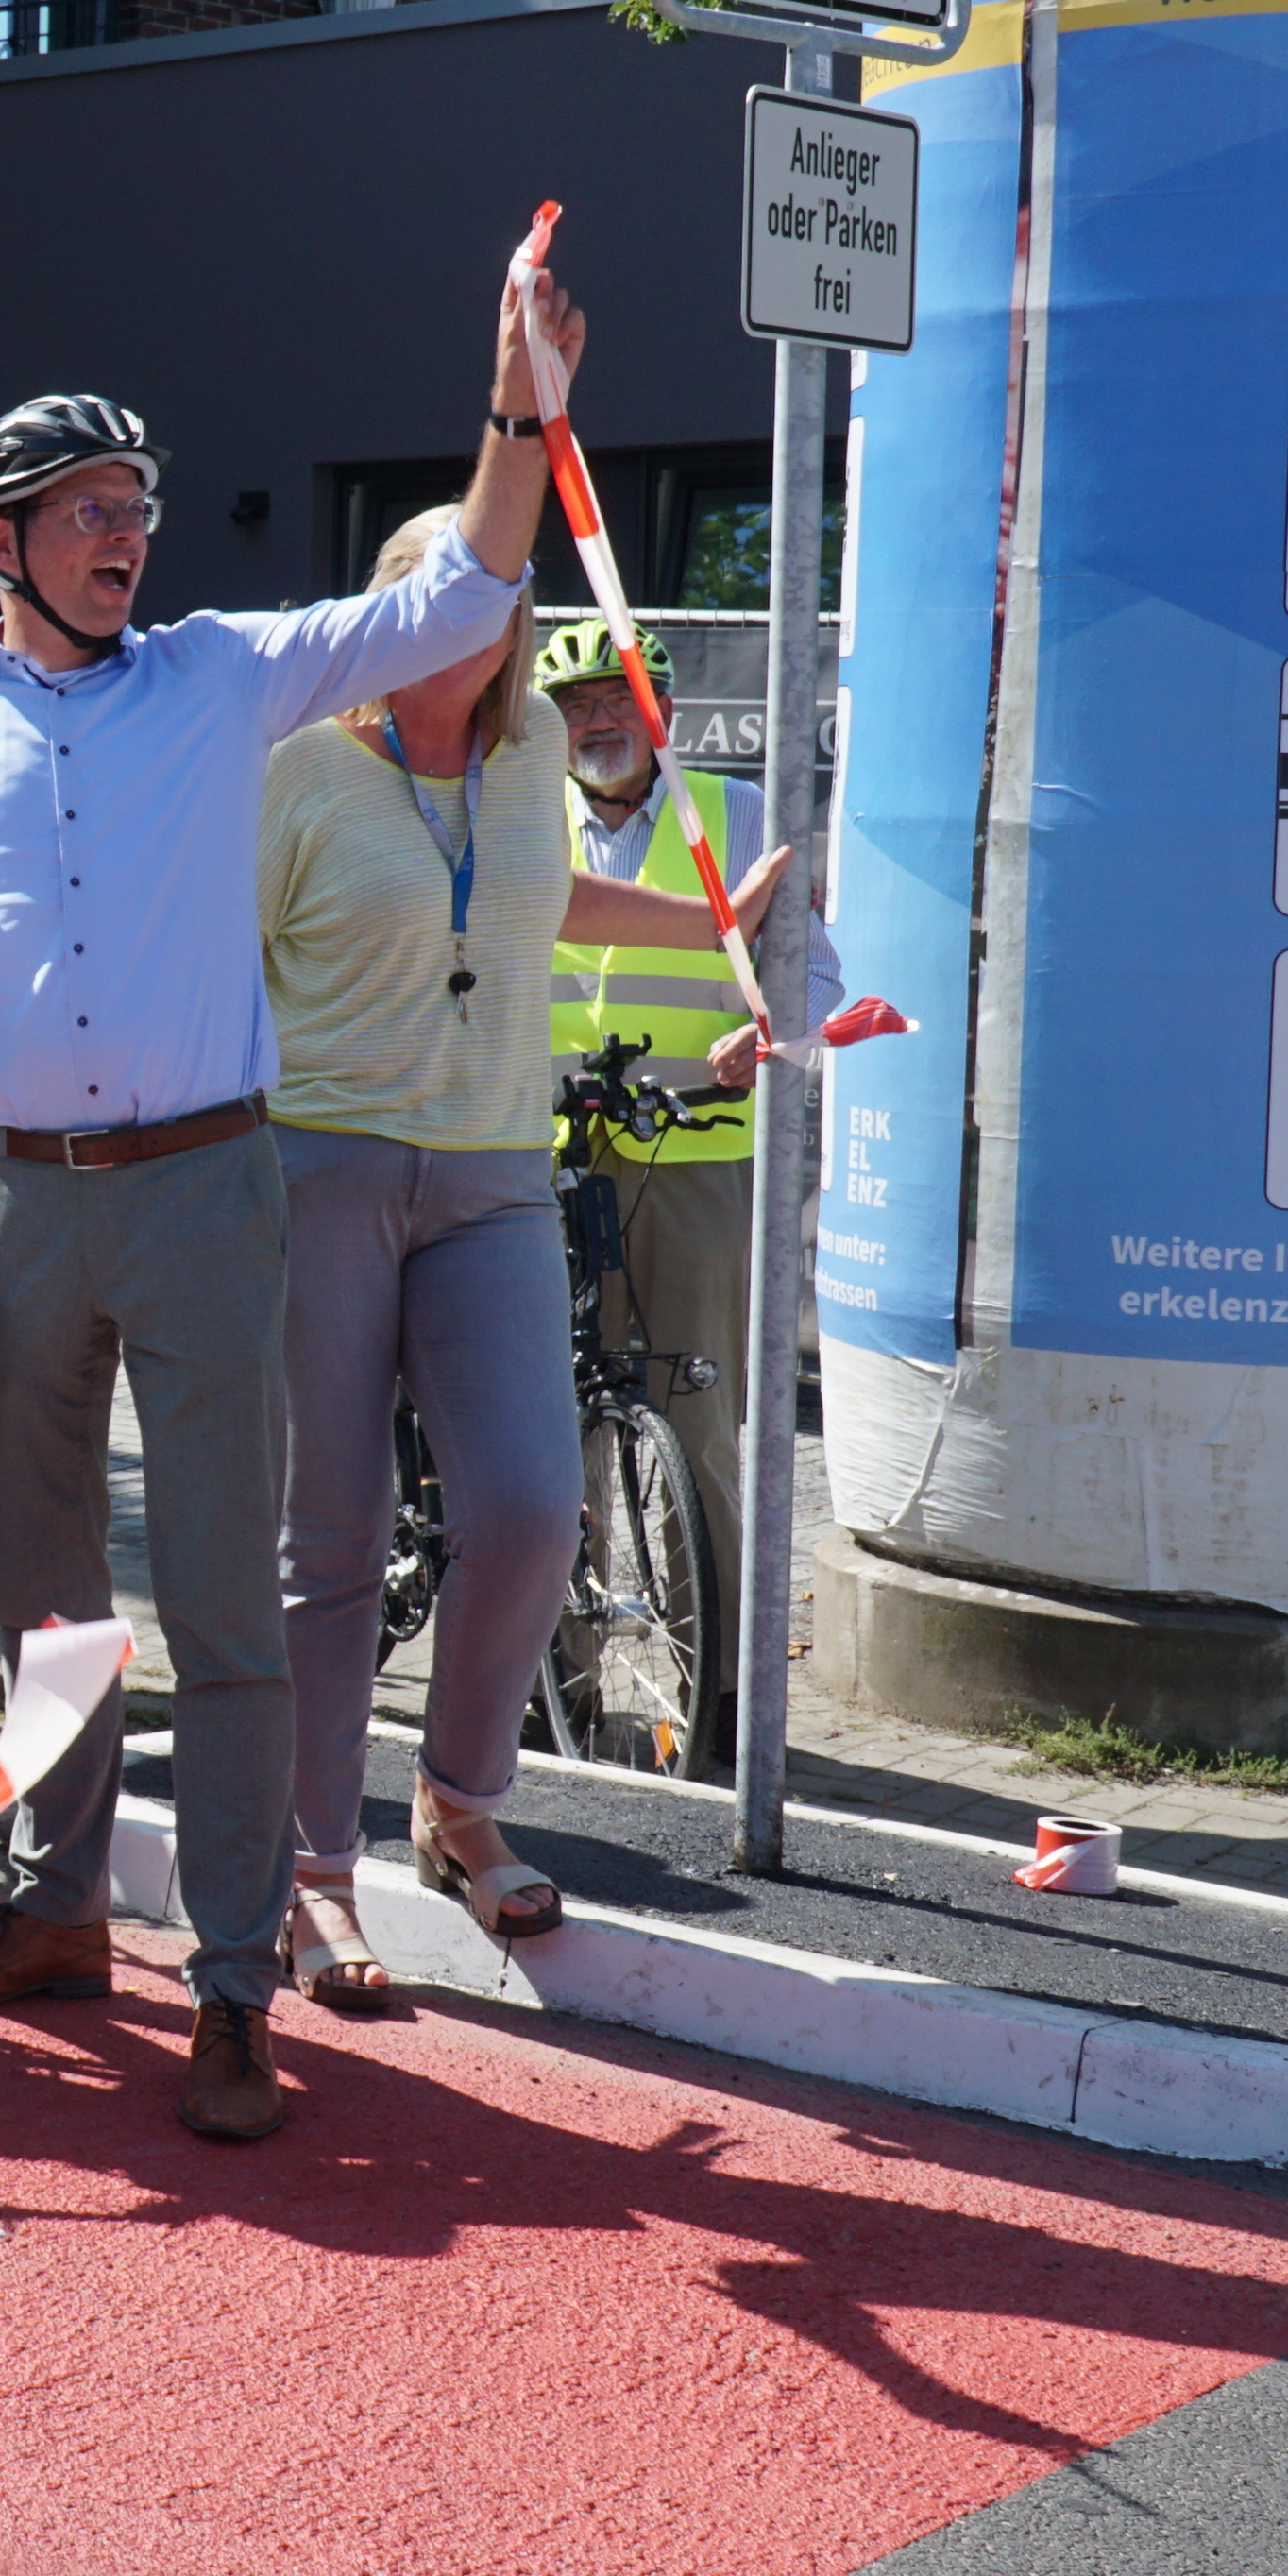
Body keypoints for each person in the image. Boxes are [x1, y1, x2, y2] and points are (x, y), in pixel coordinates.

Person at [0, 249, 568, 2149]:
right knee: (49, 1602)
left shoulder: (224, 672)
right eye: (91, 511)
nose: (130, 532)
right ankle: (54, 1912)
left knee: (220, 1601)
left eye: (138, 504)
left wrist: (515, 404)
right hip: (14, 1199)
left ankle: (230, 1978)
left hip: (214, 1185)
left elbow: (465, 587)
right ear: (3, 541)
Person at [268, 537, 773, 2009]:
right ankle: (309, 1874)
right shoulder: (302, 764)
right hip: (324, 1166)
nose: (468, 637)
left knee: (531, 1514)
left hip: (490, 1174)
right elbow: (218, 956)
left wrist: (708, 921)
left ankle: (456, 1800)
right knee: (335, 1548)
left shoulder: (532, 745)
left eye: (493, 612)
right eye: (437, 606)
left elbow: (541, 898)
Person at [539, 618, 824, 1744]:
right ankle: (557, 1685)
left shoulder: (734, 814)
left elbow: (813, 963)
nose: (596, 722)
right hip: (550, 1151)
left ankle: (721, 1700)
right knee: (549, 1426)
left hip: (696, 1151)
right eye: (572, 707)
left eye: (619, 701)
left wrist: (771, 1033)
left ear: (662, 710)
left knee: (692, 1415)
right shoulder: (523, 809)